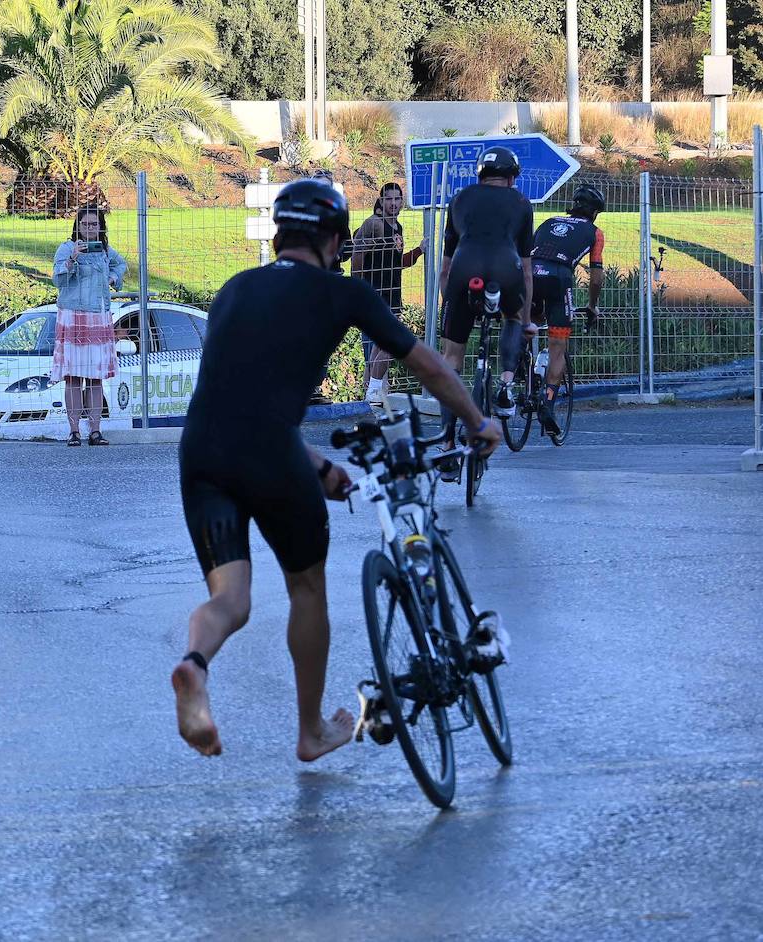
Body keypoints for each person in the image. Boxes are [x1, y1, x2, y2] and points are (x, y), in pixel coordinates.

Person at [171, 179, 502, 762]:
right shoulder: (341, 293)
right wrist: (477, 421)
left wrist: (318, 463)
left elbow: (238, 406)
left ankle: (194, 665)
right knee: (306, 589)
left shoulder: (234, 290)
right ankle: (311, 730)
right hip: (270, 451)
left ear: (280, 234)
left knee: (231, 600)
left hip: (200, 452)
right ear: (334, 239)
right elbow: (427, 366)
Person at [437, 145, 535, 470]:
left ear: (480, 174)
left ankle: (448, 444)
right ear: (511, 178)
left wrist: (449, 305)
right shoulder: (522, 203)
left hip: (465, 268)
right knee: (510, 319)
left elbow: (445, 270)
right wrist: (525, 318)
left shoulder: (460, 199)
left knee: (451, 359)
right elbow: (526, 269)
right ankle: (506, 384)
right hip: (506, 268)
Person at [529, 184, 606, 435]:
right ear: (594, 213)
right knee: (558, 346)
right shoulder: (594, 232)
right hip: (559, 279)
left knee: (526, 324)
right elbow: (596, 279)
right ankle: (548, 404)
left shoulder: (549, 221)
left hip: (528, 275)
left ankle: (509, 381)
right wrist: (592, 306)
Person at [52, 206, 127, 446]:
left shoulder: (105, 250)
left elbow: (121, 264)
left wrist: (113, 277)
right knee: (73, 377)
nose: (89, 229)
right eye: (85, 224)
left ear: (101, 227)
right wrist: (72, 259)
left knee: (95, 378)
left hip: (98, 316)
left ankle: (95, 430)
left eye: (94, 224)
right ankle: (74, 431)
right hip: (73, 316)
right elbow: (57, 279)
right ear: (78, 226)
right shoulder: (66, 248)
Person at [351, 182, 427, 407]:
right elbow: (357, 257)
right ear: (381, 201)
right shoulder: (374, 224)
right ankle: (375, 390)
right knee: (387, 342)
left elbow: (396, 264)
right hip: (374, 294)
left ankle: (371, 396)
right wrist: (359, 290)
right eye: (389, 199)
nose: (393, 203)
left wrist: (419, 251)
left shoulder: (397, 228)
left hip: (392, 295)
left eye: (397, 199)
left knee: (378, 347)